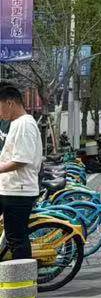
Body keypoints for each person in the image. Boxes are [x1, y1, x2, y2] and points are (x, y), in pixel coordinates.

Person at [0, 83, 43, 263]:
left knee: (16, 238)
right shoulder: (17, 123)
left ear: (9, 103)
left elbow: (21, 160)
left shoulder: (24, 124)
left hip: (19, 191)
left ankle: (24, 277)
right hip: (10, 189)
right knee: (13, 236)